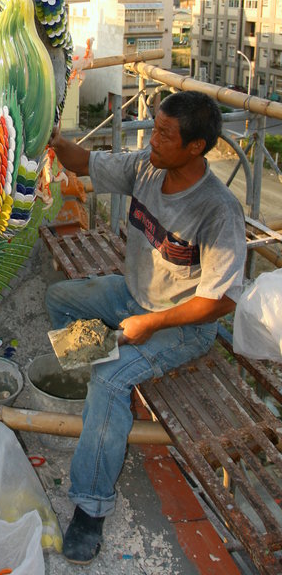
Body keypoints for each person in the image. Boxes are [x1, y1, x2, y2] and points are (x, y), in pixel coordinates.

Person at [46, 91, 247, 565]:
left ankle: (91, 507)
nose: (151, 139)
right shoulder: (148, 167)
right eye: (153, 127)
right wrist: (48, 139)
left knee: (110, 376)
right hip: (132, 295)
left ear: (196, 147)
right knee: (61, 299)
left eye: (164, 133)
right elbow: (83, 161)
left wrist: (151, 323)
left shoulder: (218, 211)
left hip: (183, 325)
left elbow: (219, 302)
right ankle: (102, 409)